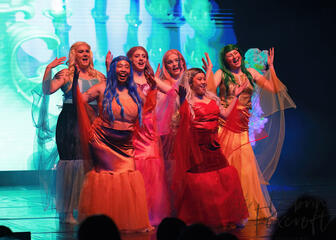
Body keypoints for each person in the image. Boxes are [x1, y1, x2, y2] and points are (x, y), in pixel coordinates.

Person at [206, 44, 296, 220]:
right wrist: (210, 73)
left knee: (246, 170)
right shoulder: (221, 74)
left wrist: (271, 67)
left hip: (242, 126)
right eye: (230, 55)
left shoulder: (251, 73)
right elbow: (208, 91)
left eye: (236, 53)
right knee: (228, 167)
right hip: (225, 126)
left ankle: (246, 208)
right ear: (226, 60)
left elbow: (275, 89)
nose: (234, 56)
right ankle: (225, 208)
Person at [76, 56, 152, 232]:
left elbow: (148, 110)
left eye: (127, 66)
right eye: (120, 66)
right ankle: (103, 224)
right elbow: (80, 100)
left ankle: (124, 220)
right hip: (103, 140)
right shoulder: (102, 88)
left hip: (125, 142)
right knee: (108, 177)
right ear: (113, 70)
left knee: (127, 177)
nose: (124, 69)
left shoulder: (136, 92)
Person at [171, 68, 249, 228]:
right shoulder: (188, 103)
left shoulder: (212, 99)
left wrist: (236, 96)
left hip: (214, 147)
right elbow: (182, 120)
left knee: (222, 180)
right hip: (198, 149)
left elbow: (226, 115)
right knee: (202, 184)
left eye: (203, 79)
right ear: (190, 83)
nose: (203, 82)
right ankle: (203, 218)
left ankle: (223, 215)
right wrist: (181, 96)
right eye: (199, 79)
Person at [38, 41, 105, 224]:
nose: (85, 54)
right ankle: (66, 212)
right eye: (80, 51)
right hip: (70, 122)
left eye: (87, 51)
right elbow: (47, 89)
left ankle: (86, 208)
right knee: (70, 165)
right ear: (74, 54)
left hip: (92, 122)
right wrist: (49, 68)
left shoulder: (98, 76)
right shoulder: (66, 74)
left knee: (89, 165)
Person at [125, 46, 170, 226]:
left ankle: (151, 212)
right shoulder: (126, 79)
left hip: (149, 128)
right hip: (133, 126)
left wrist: (156, 80)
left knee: (152, 167)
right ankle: (136, 211)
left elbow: (171, 90)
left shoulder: (151, 79)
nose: (141, 59)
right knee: (134, 165)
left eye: (144, 56)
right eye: (137, 56)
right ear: (130, 59)